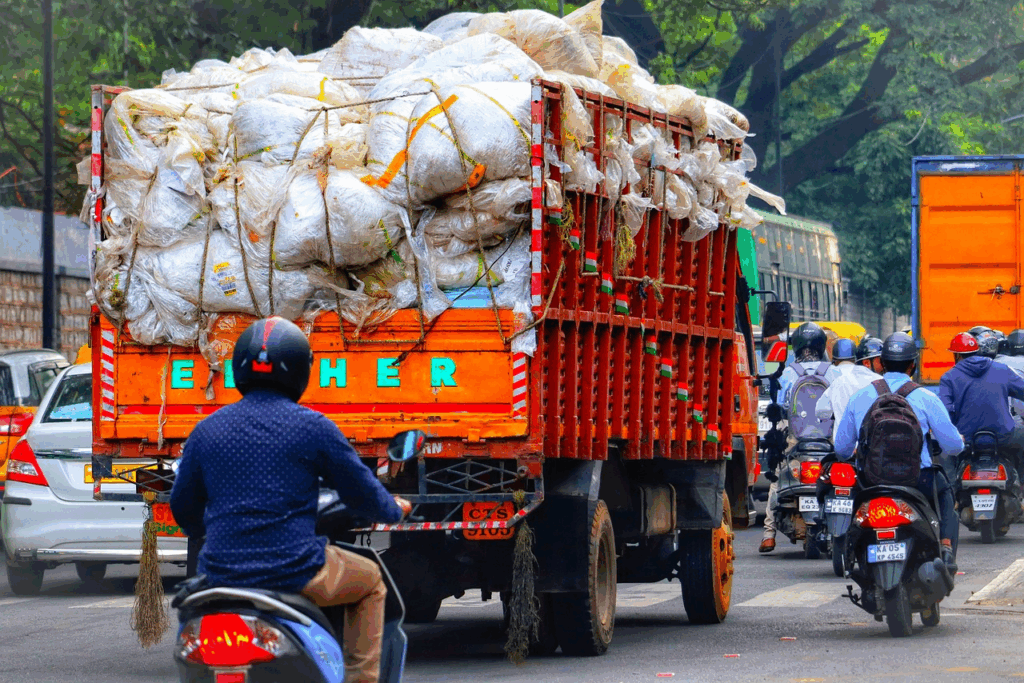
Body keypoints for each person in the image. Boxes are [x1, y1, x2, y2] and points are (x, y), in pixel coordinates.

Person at [170, 317, 410, 683]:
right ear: (301, 368)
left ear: (238, 367)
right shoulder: (313, 426)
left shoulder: (206, 430)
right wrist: (395, 509)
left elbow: (184, 510)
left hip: (219, 574)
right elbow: (363, 496)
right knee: (372, 580)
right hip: (295, 570)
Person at [835, 332, 964, 569]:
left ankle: (849, 555)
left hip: (870, 482)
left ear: (881, 364)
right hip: (918, 480)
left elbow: (842, 449)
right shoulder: (926, 397)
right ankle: (945, 551)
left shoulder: (860, 397)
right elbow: (954, 447)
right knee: (946, 497)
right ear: (913, 365)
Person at [760, 322, 842, 553]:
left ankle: (768, 535)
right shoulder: (833, 372)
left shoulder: (787, 372)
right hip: (828, 439)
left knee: (777, 477)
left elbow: (775, 406)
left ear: (795, 346)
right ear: (821, 345)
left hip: (795, 438)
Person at [938, 331, 1024, 483]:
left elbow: (945, 413)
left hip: (967, 440)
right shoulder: (1002, 369)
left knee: (943, 453)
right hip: (1003, 437)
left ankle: (953, 492)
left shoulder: (948, 377)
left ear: (956, 356)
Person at [815, 338, 882, 440]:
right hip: (873, 446)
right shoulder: (881, 382)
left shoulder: (838, 381)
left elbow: (821, 410)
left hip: (845, 448)